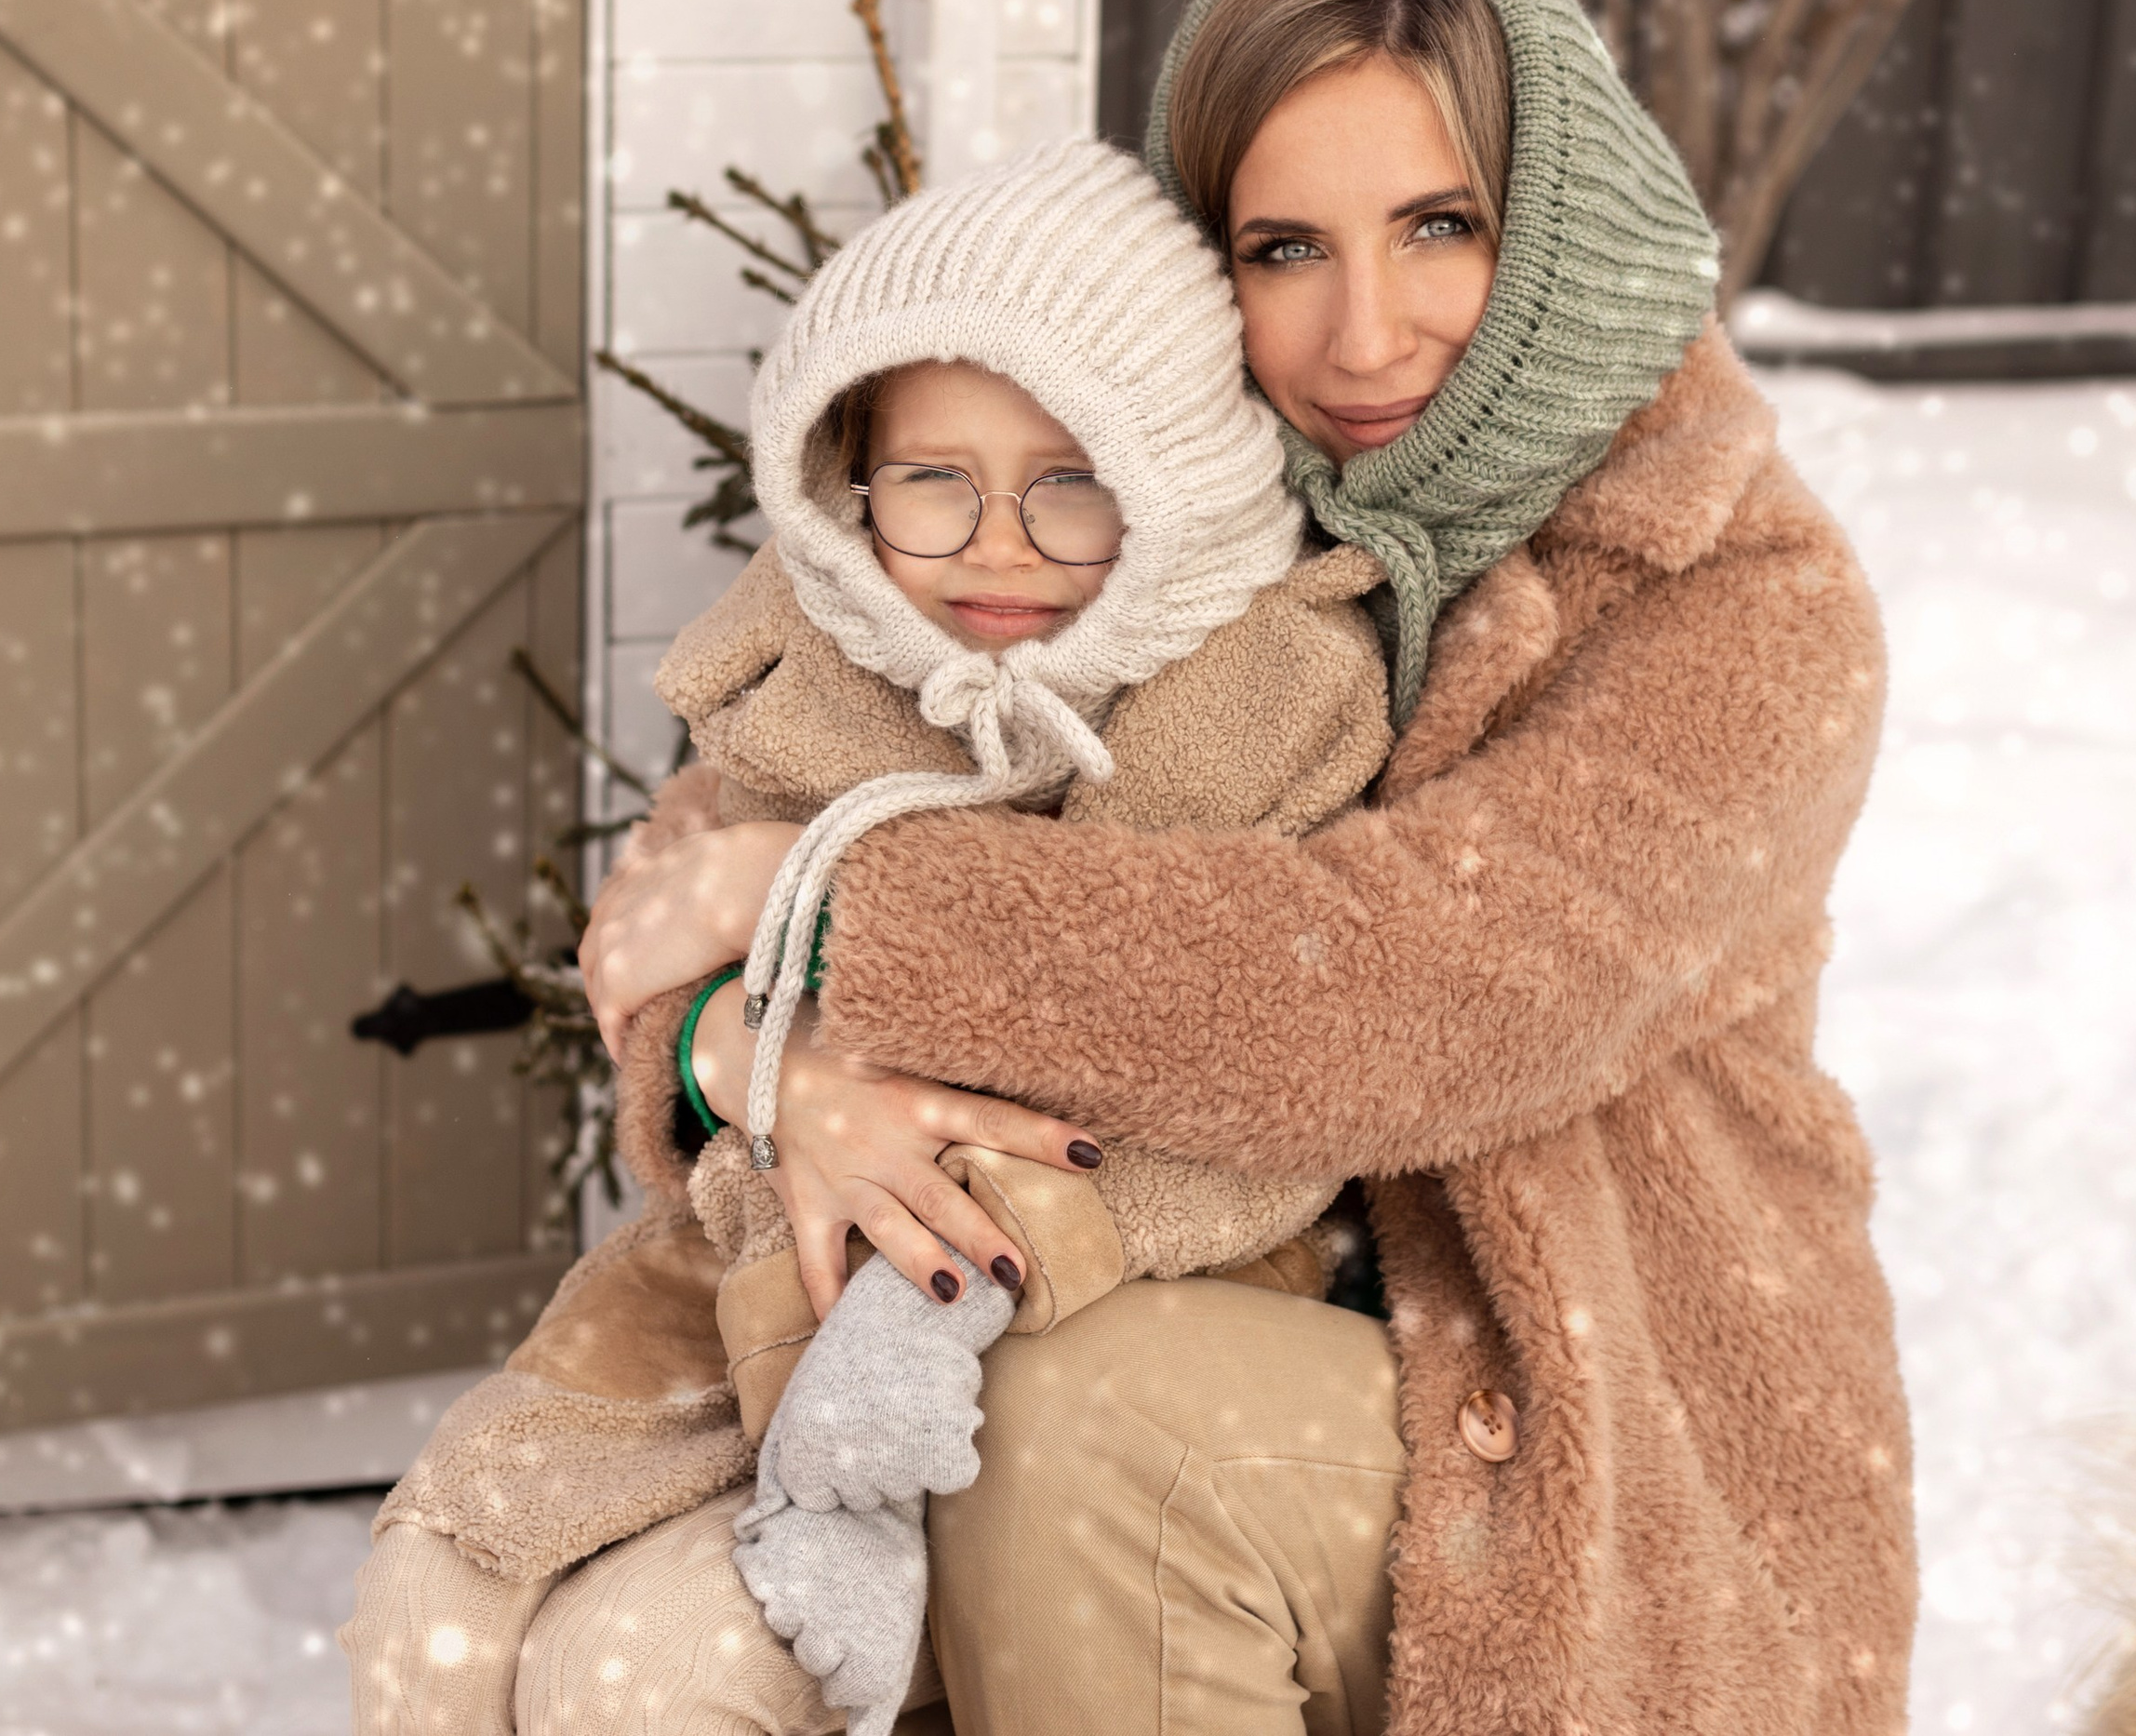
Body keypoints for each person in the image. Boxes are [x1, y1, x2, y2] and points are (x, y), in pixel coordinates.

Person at [583, 0, 1917, 1735]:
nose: (1362, 331)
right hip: (1136, 1339)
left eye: (1437, 223)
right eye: (1283, 244)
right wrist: (757, 1060)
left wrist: (831, 917)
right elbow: (710, 858)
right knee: (623, 1665)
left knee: (1086, 1416)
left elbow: (1395, 997)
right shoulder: (1166, 490)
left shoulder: (1745, 609)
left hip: (1595, 1448)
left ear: (1555, 221)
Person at [342, 139, 1401, 1734]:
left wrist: (931, 1271)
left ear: (1174, 476)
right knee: (426, 1623)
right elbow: (650, 989)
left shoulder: (1264, 701)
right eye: (931, 480)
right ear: (851, 480)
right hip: (734, 1288)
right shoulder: (816, 659)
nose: (993, 543)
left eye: (1067, 483)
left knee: (639, 1680)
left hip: (1017, 1343)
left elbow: (1253, 1064)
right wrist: (751, 1071)